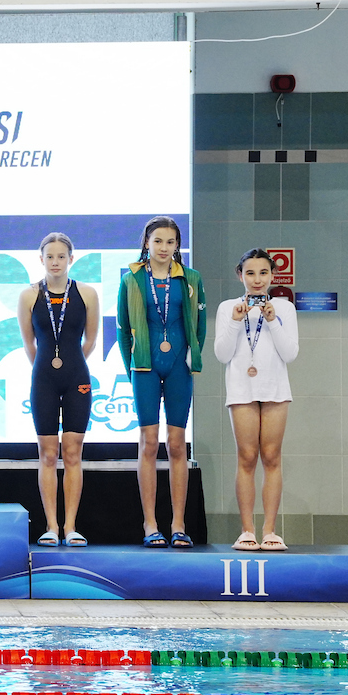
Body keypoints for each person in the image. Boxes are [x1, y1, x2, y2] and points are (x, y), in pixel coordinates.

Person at [116, 215, 206, 549]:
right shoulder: (131, 279)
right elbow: (123, 331)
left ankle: (178, 524)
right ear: (146, 243)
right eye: (158, 241)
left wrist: (191, 357)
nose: (164, 248)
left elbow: (199, 327)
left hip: (179, 366)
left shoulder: (191, 278)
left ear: (177, 245)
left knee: (178, 444)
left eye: (170, 242)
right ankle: (151, 524)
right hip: (145, 367)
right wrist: (133, 369)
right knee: (149, 443)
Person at [213, 248, 298, 552]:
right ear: (240, 275)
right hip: (241, 389)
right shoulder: (228, 307)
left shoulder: (284, 307)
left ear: (273, 275)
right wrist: (236, 321)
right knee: (247, 457)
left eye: (263, 273)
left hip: (275, 388)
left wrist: (272, 320)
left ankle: (270, 531)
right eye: (250, 273)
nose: (257, 279)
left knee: (272, 457)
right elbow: (222, 354)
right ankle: (247, 531)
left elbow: (290, 353)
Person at [17, 232, 99, 547]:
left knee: (73, 452)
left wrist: (70, 364)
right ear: (41, 259)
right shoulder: (28, 295)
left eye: (61, 256)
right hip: (43, 380)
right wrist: (48, 368)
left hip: (77, 376)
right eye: (49, 257)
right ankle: (51, 526)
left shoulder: (87, 294)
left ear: (71, 259)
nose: (55, 262)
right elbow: (29, 344)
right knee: (48, 454)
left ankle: (70, 527)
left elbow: (90, 341)